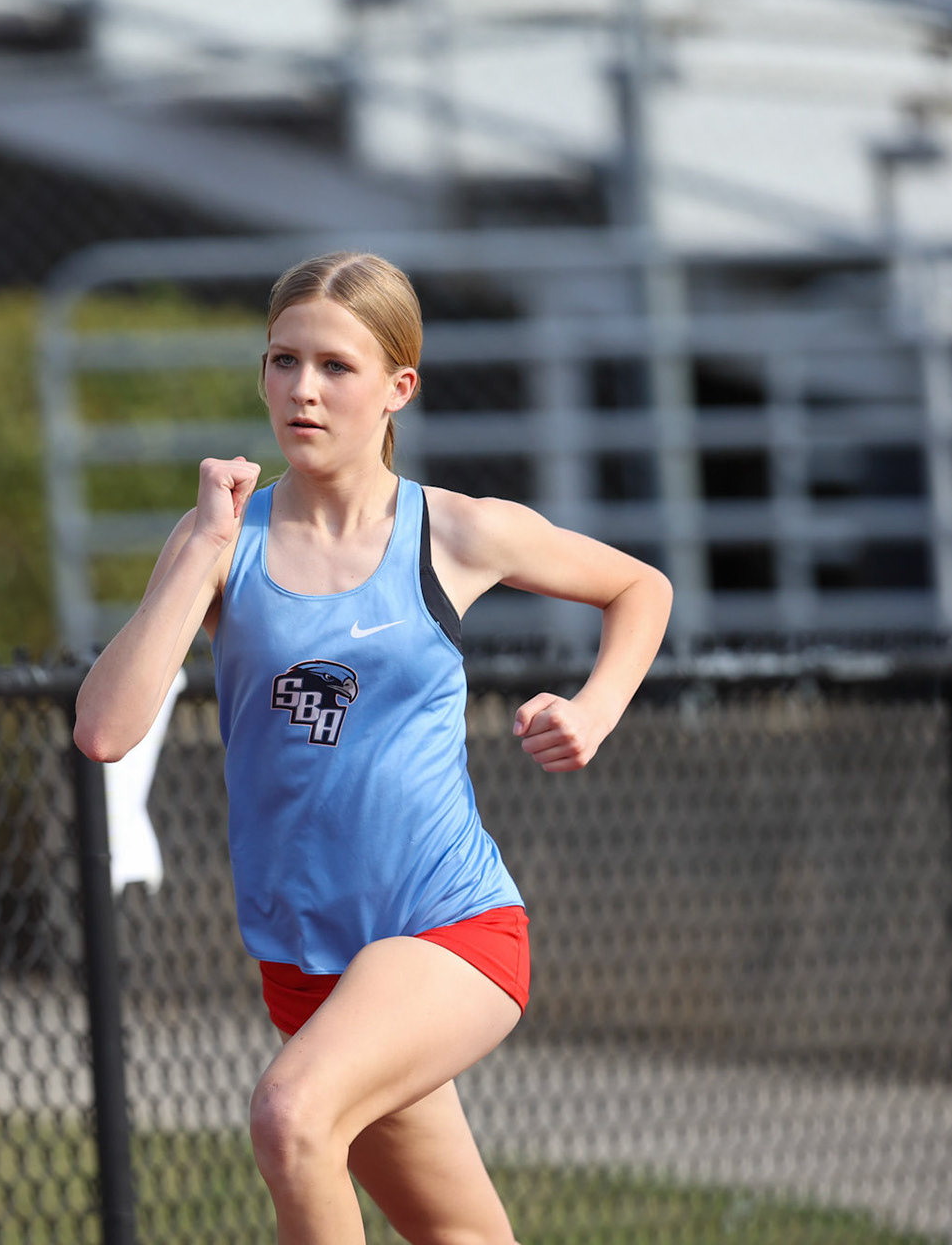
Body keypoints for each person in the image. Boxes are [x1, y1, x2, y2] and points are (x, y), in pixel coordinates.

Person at [73, 251, 672, 1244]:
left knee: (292, 1113)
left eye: (335, 367)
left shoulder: (456, 532)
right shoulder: (224, 540)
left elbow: (639, 586)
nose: (302, 389)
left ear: (399, 388)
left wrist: (597, 708)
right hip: (307, 962)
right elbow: (104, 727)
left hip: (451, 926)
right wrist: (201, 554)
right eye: (281, 360)